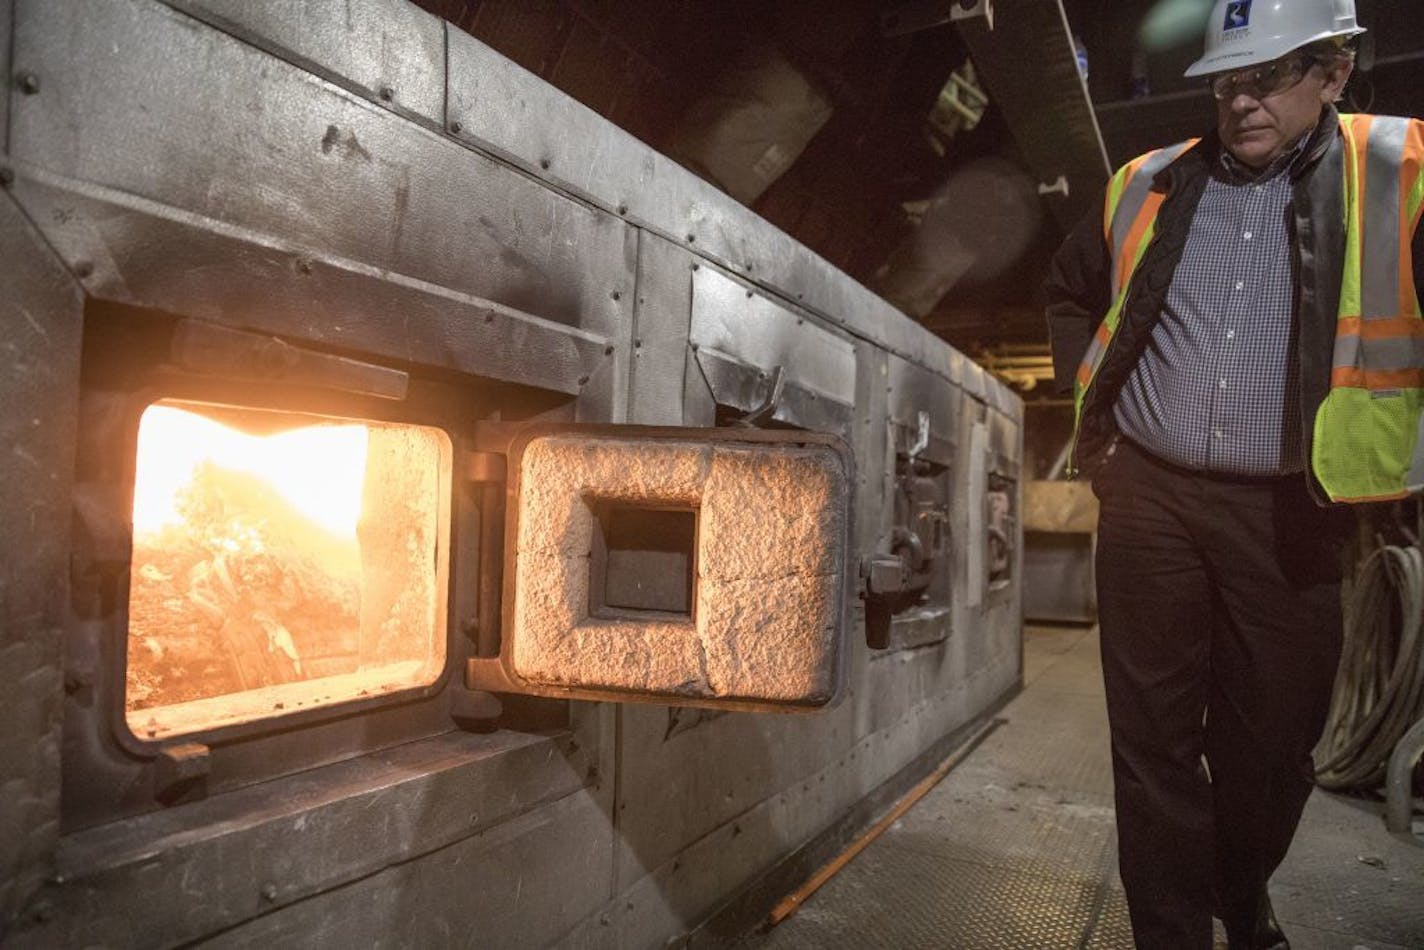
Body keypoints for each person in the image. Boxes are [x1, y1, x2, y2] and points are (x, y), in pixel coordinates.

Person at [1046, 1, 1424, 948]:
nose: (1240, 100)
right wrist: (1104, 437)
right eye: (1226, 82)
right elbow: (1069, 292)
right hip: (1151, 501)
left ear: (1332, 73)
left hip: (1293, 509)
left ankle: (1236, 894)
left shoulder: (1400, 171)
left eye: (1266, 78)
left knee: (1270, 752)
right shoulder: (1146, 184)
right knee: (1153, 747)